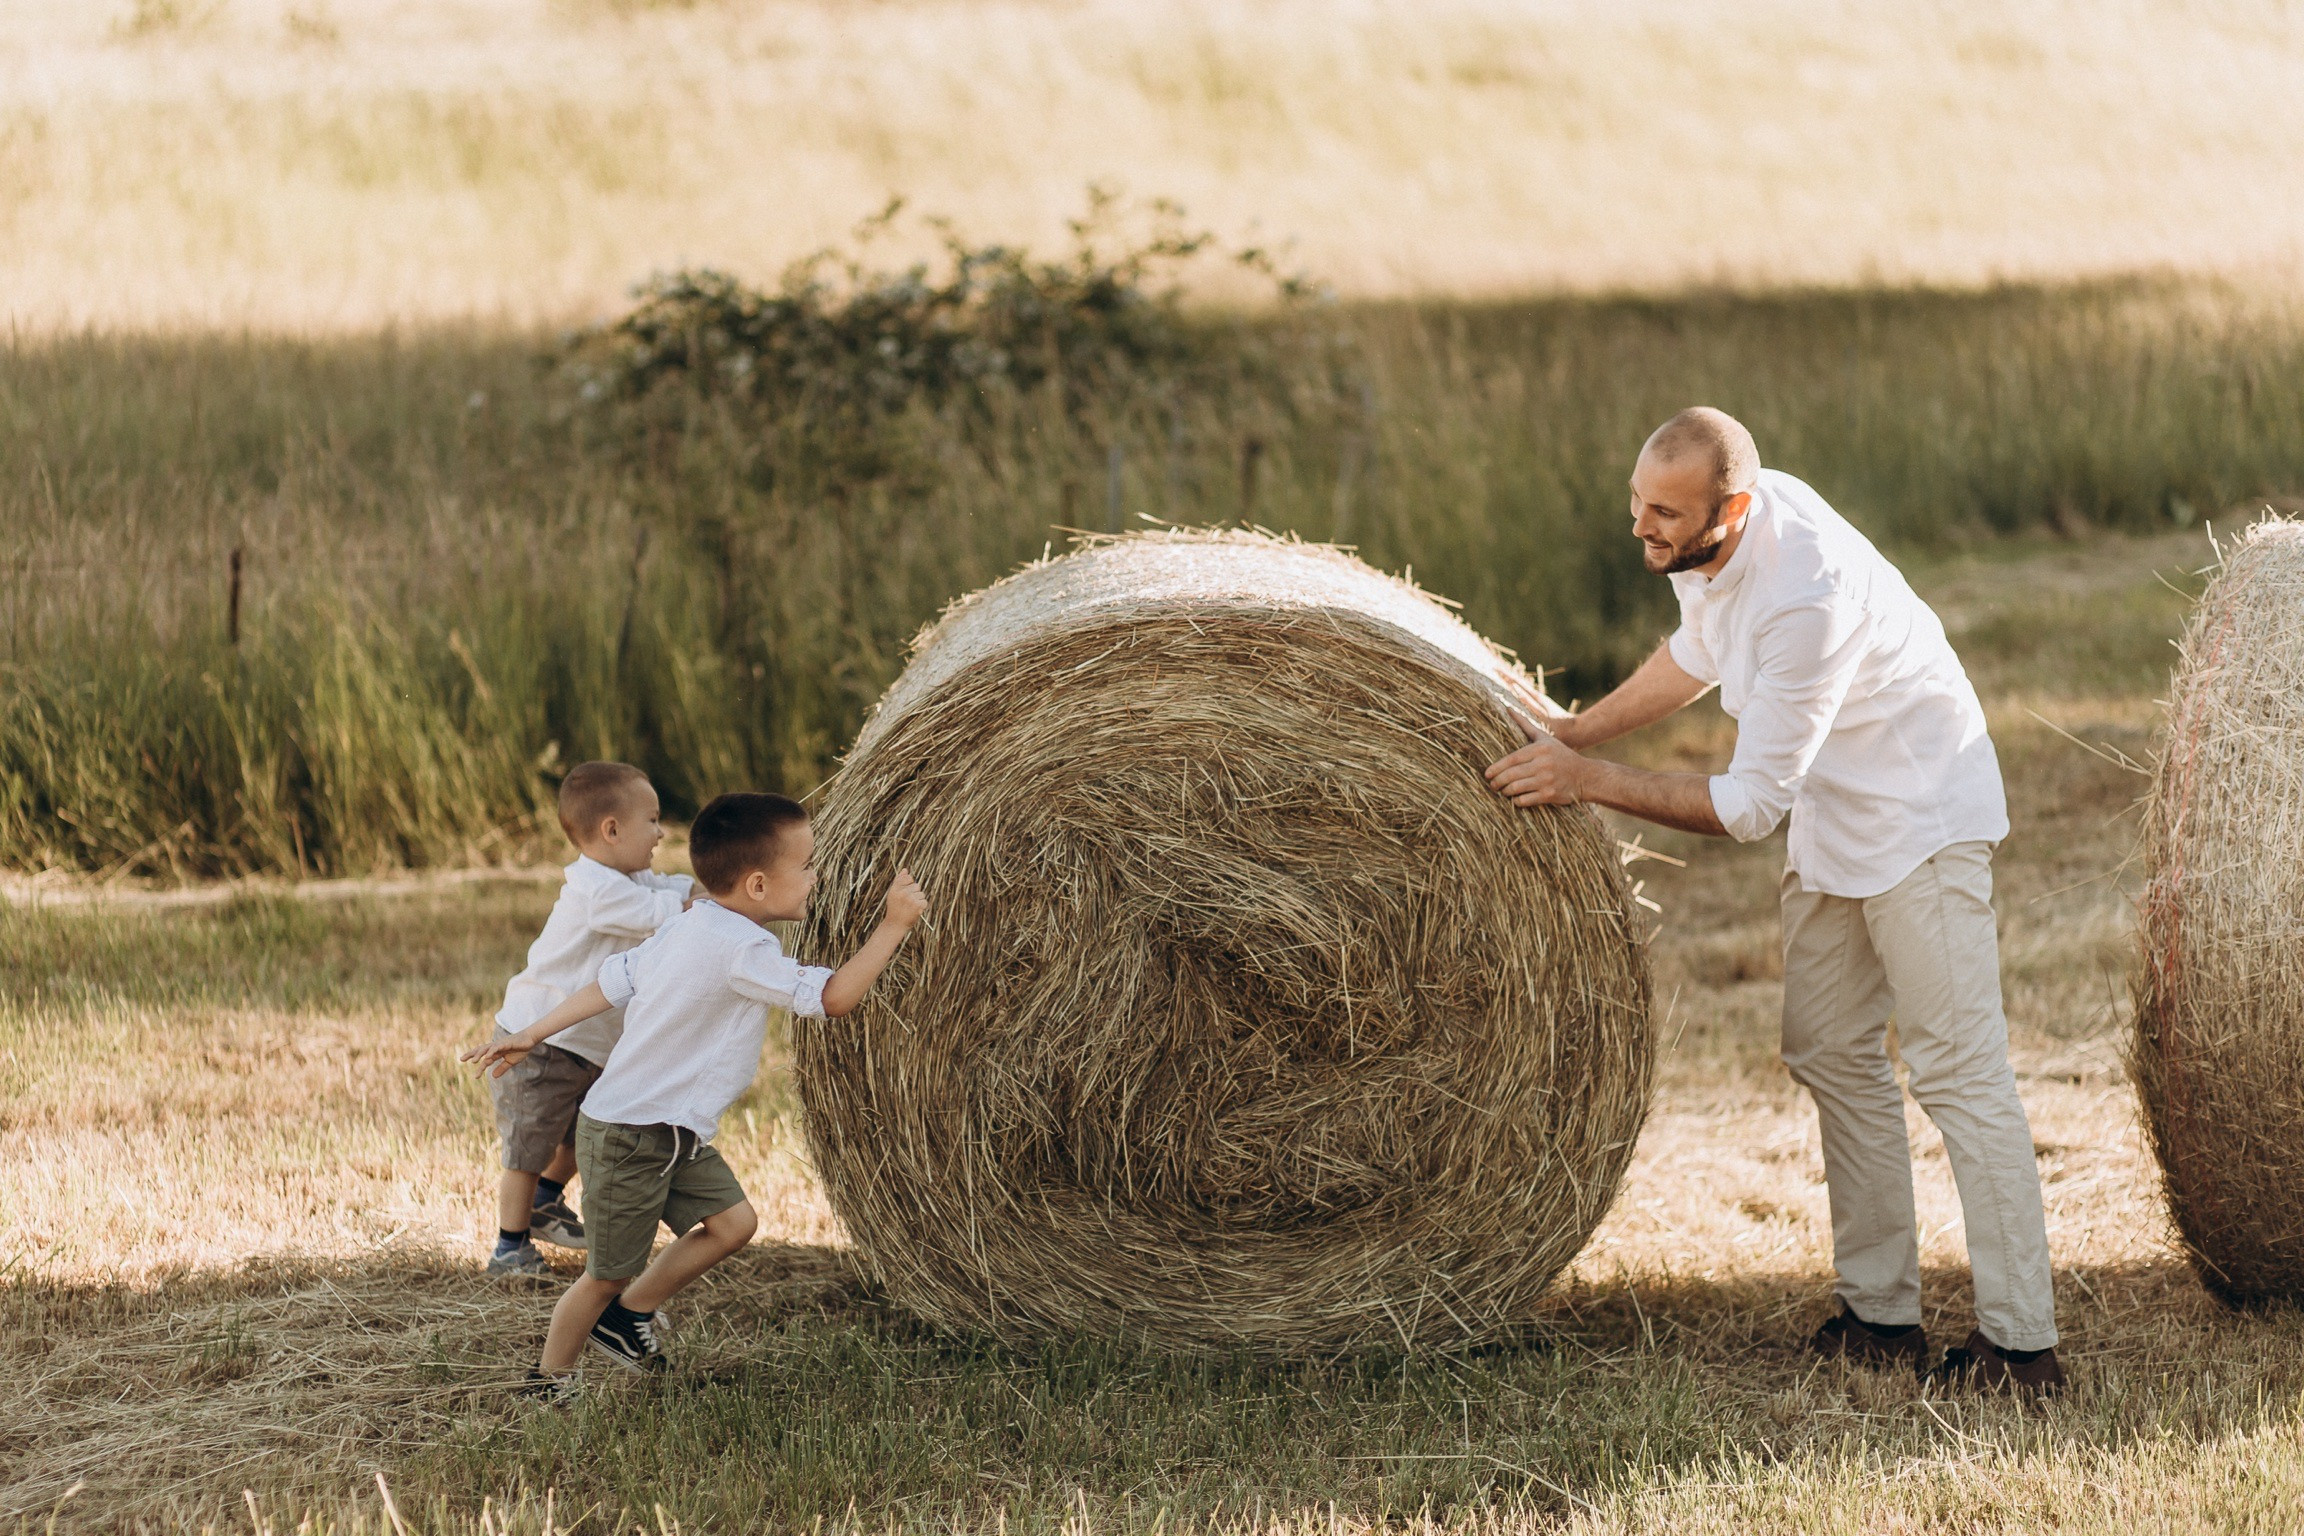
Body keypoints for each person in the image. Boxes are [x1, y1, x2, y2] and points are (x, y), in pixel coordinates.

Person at [1484, 407, 2063, 1395]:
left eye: (1664, 511)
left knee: (1959, 1073)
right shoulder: (1726, 541)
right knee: (1829, 1049)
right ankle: (1881, 1316)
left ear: (1733, 507)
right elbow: (1694, 657)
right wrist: (1576, 730)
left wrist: (1588, 782)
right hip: (1836, 819)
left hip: (1921, 817)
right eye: (1637, 503)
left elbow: (1750, 805)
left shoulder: (1808, 595)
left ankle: (2022, 1345)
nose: (1642, 527)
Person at [465, 790, 926, 1395]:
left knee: (734, 1224)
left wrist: (530, 1032)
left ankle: (630, 1316)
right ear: (758, 886)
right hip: (631, 1136)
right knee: (604, 1274)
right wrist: (894, 925)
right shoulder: (744, 949)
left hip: (671, 1131)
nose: (818, 877)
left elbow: (611, 982)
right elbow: (836, 998)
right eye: (809, 865)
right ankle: (550, 1378)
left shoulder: (695, 924)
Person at [483, 760, 694, 1279]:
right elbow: (663, 912)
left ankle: (545, 1204)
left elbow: (668, 889)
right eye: (653, 820)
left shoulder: (629, 875)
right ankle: (509, 1248)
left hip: (585, 1044)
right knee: (528, 1147)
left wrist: (708, 888)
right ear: (612, 830)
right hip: (539, 1039)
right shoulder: (597, 891)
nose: (661, 832)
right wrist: (726, 903)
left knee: (585, 1132)